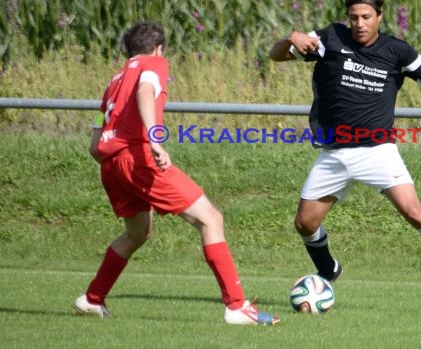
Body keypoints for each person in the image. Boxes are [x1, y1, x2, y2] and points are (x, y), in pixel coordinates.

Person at [269, 0, 421, 303]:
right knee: (305, 223)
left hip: (378, 151)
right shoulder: (329, 39)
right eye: (354, 17)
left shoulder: (397, 51)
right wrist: (290, 38)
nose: (360, 23)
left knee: (415, 212)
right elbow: (276, 56)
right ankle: (328, 269)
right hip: (335, 154)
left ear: (379, 16)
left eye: (366, 16)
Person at [74, 21, 279, 325]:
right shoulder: (155, 63)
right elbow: (146, 91)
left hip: (110, 164)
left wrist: (117, 165)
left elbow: (94, 144)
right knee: (211, 218)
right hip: (138, 157)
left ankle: (92, 299)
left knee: (137, 232)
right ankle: (237, 306)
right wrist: (155, 140)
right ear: (158, 48)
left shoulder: (114, 82)